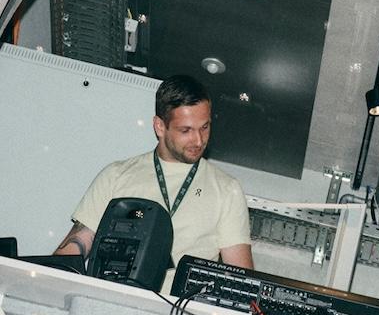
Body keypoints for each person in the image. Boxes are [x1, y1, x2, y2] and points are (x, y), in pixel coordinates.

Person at [54, 74, 253, 284]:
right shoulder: (116, 175)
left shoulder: (227, 189)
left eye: (205, 127)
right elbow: (74, 248)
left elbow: (240, 282)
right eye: (185, 130)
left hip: (178, 314)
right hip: (113, 305)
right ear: (159, 126)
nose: (199, 140)